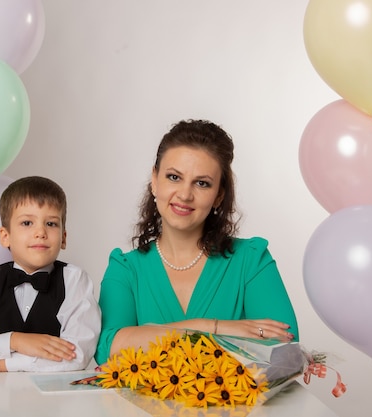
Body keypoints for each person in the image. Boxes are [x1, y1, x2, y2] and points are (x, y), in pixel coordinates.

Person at [95, 119, 299, 365]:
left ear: (219, 195)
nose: (184, 194)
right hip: (140, 406)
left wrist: (151, 338)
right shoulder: (125, 268)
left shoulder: (251, 260)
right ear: (155, 180)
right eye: (173, 177)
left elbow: (284, 349)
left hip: (238, 404)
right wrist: (210, 327)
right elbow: (108, 350)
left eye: (202, 183)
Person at [0, 176, 101, 374]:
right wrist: (14, 340)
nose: (40, 232)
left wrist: (0, 364)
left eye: (51, 224)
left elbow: (76, 356)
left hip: (52, 403)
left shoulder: (74, 281)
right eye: (27, 223)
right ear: (6, 237)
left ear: (63, 237)